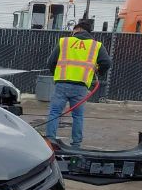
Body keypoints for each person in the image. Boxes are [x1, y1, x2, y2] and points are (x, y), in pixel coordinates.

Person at [44, 19, 111, 148]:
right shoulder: (96, 45)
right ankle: (76, 144)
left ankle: (50, 141)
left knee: (54, 112)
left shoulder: (65, 42)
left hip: (62, 84)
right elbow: (106, 63)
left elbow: (51, 62)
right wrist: (98, 71)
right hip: (81, 86)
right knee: (78, 116)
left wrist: (56, 74)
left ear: (78, 29)